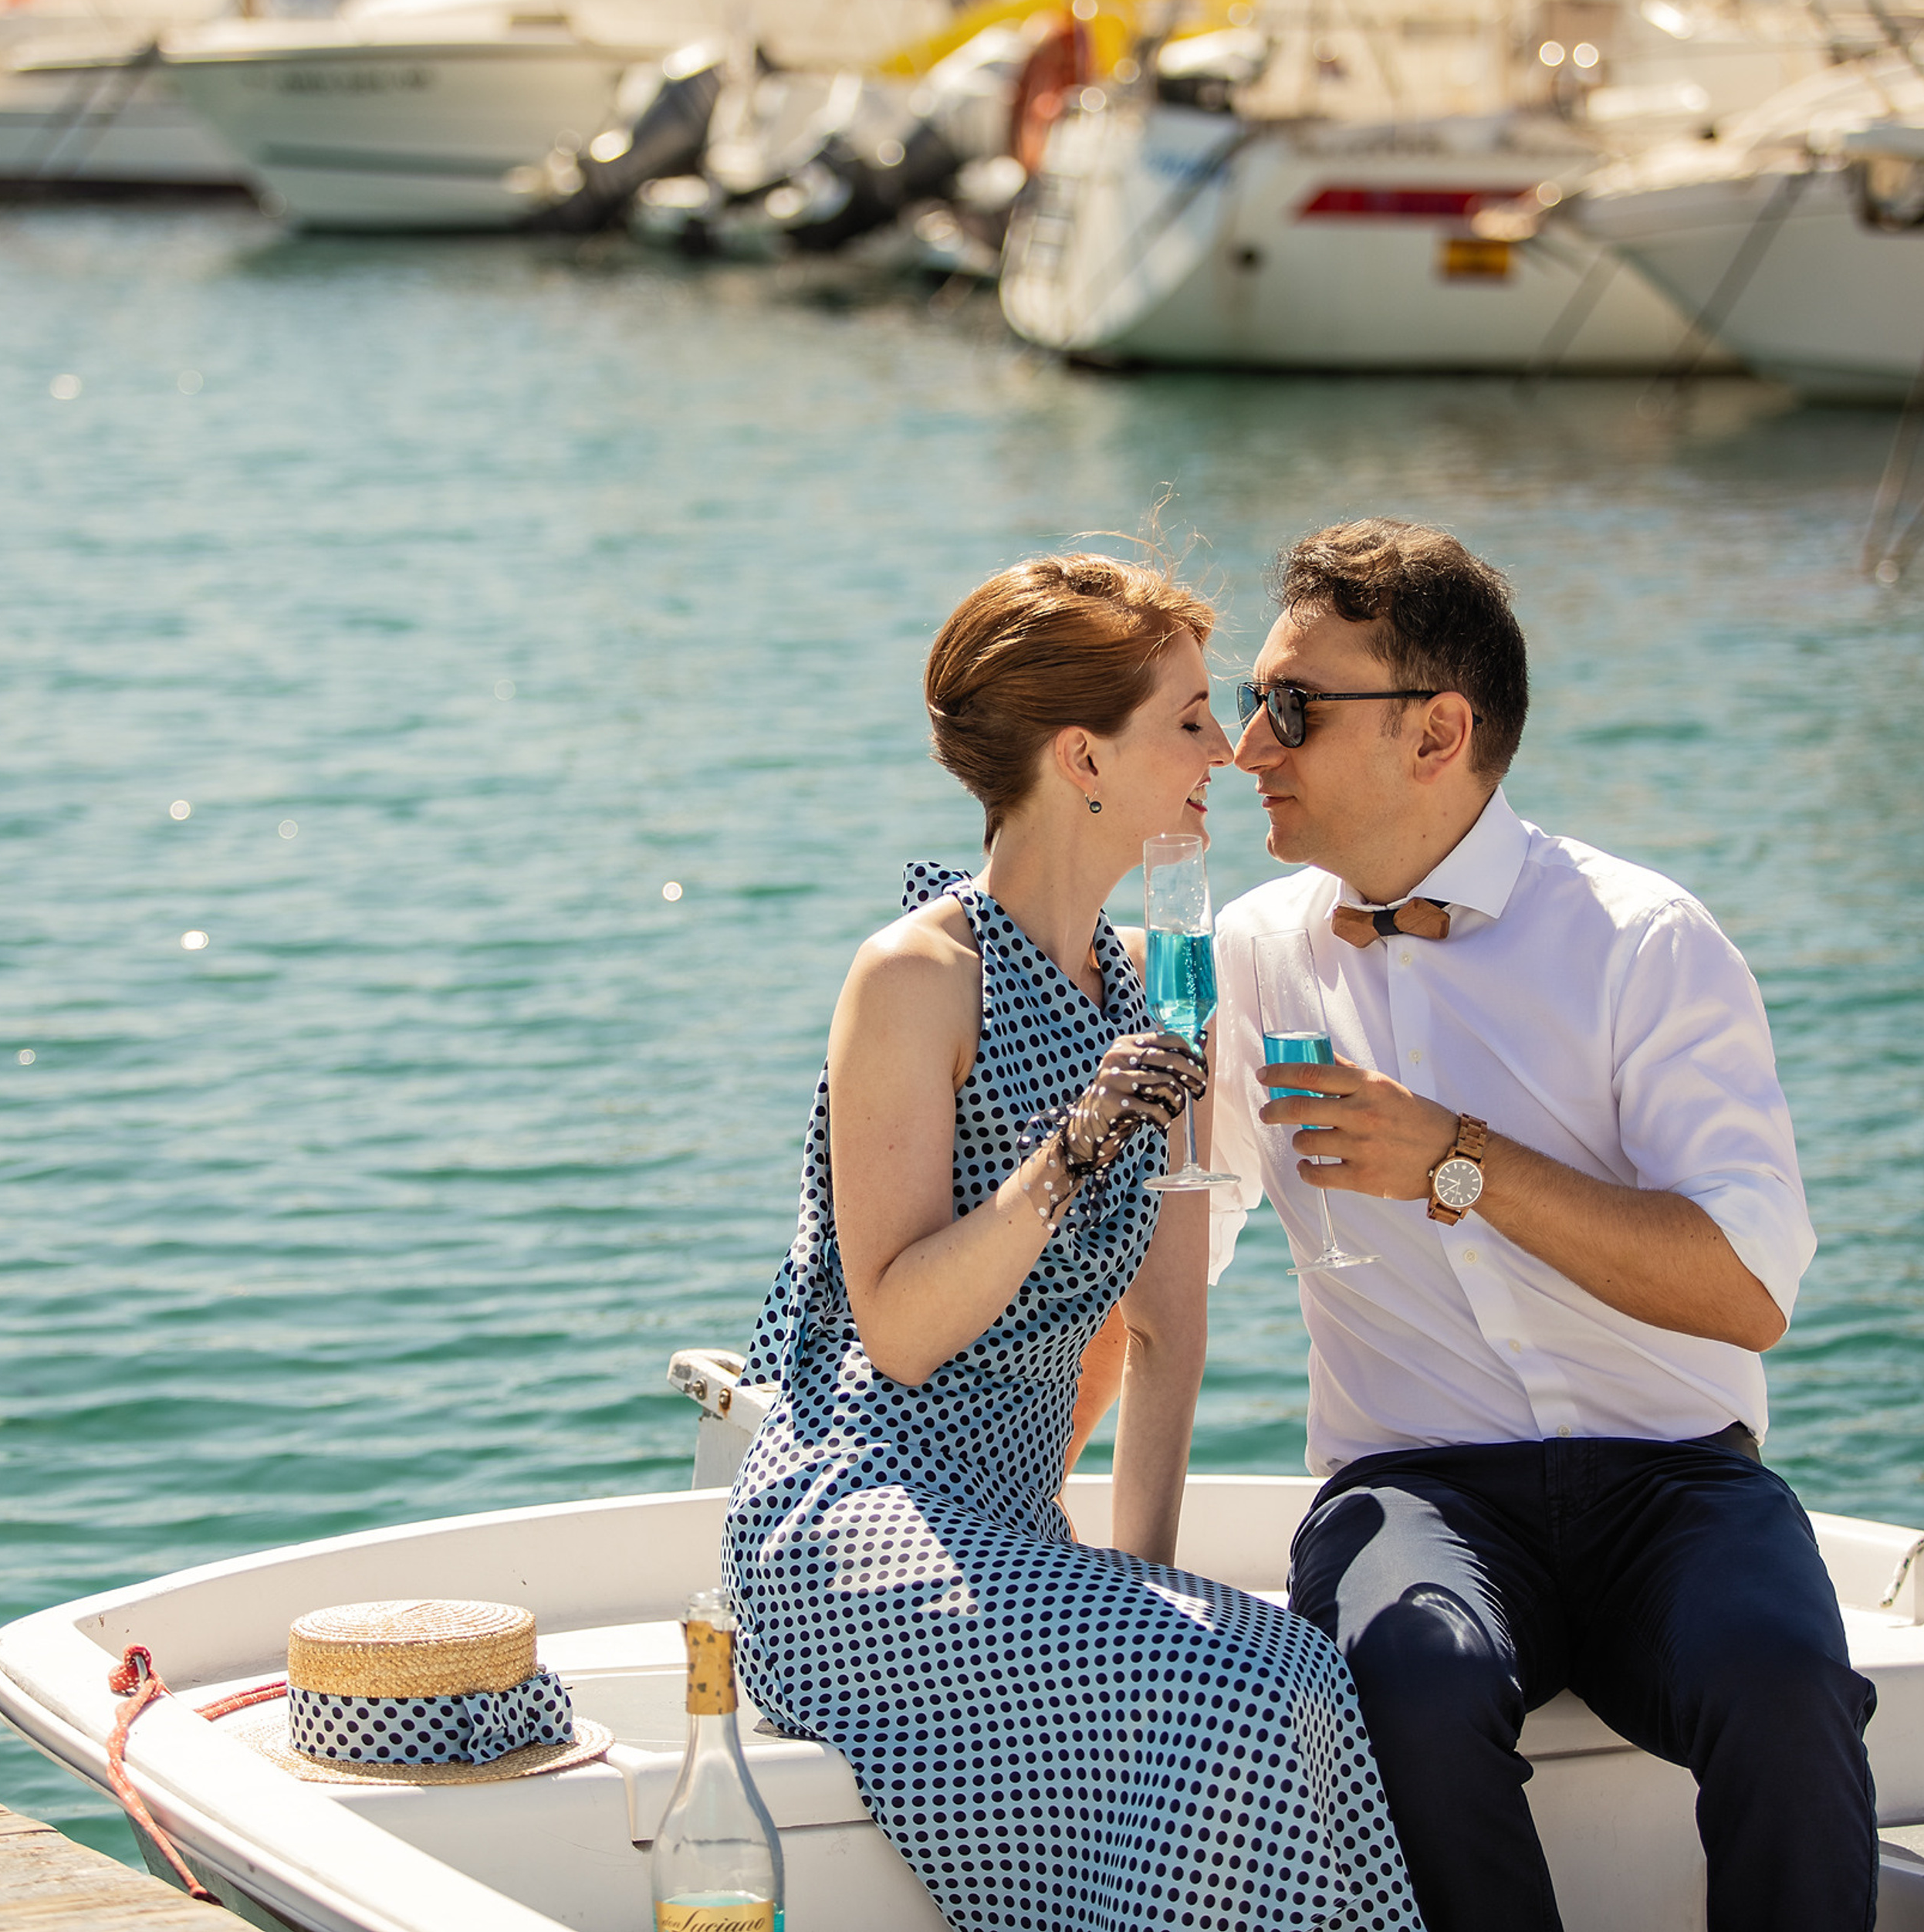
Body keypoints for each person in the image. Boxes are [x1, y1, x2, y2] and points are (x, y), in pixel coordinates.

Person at [723, 553, 1424, 1932]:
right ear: (1080, 756)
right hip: (853, 1525)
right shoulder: (921, 976)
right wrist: (1071, 1154)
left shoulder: (1164, 989)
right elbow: (903, 1331)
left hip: (1012, 1535)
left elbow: (1167, 1329)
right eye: (1185, 720)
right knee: (1236, 1692)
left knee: (1287, 1678)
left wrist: (1148, 1584)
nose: (1225, 748)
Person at [1209, 519, 1878, 1932]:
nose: (1243, 747)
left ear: (1438, 732)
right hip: (1416, 1490)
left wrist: (1458, 1160)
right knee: (1411, 1675)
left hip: (1677, 1485)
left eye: (1290, 708)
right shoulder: (1243, 955)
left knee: (1786, 1682)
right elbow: (1165, 1265)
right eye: (1247, 702)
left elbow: (1750, 1291)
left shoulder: (1647, 941)